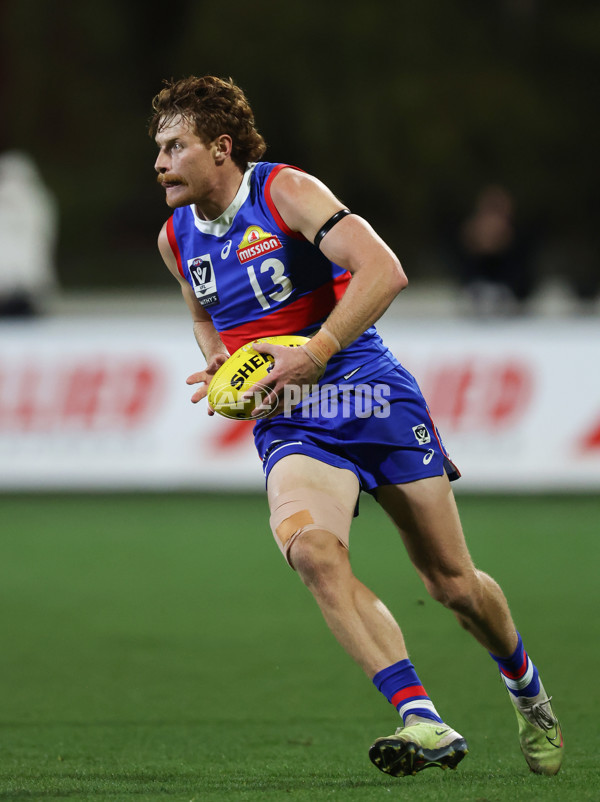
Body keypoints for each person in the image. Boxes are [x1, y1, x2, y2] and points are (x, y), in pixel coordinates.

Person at [150, 75, 563, 778]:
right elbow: (201, 313)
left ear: (220, 148)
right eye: (157, 148)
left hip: (368, 393)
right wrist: (219, 361)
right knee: (311, 550)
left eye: (173, 145)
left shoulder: (286, 193)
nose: (159, 162)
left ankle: (528, 693)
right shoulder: (174, 238)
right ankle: (420, 717)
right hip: (293, 419)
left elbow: (384, 272)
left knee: (452, 584)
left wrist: (311, 354)